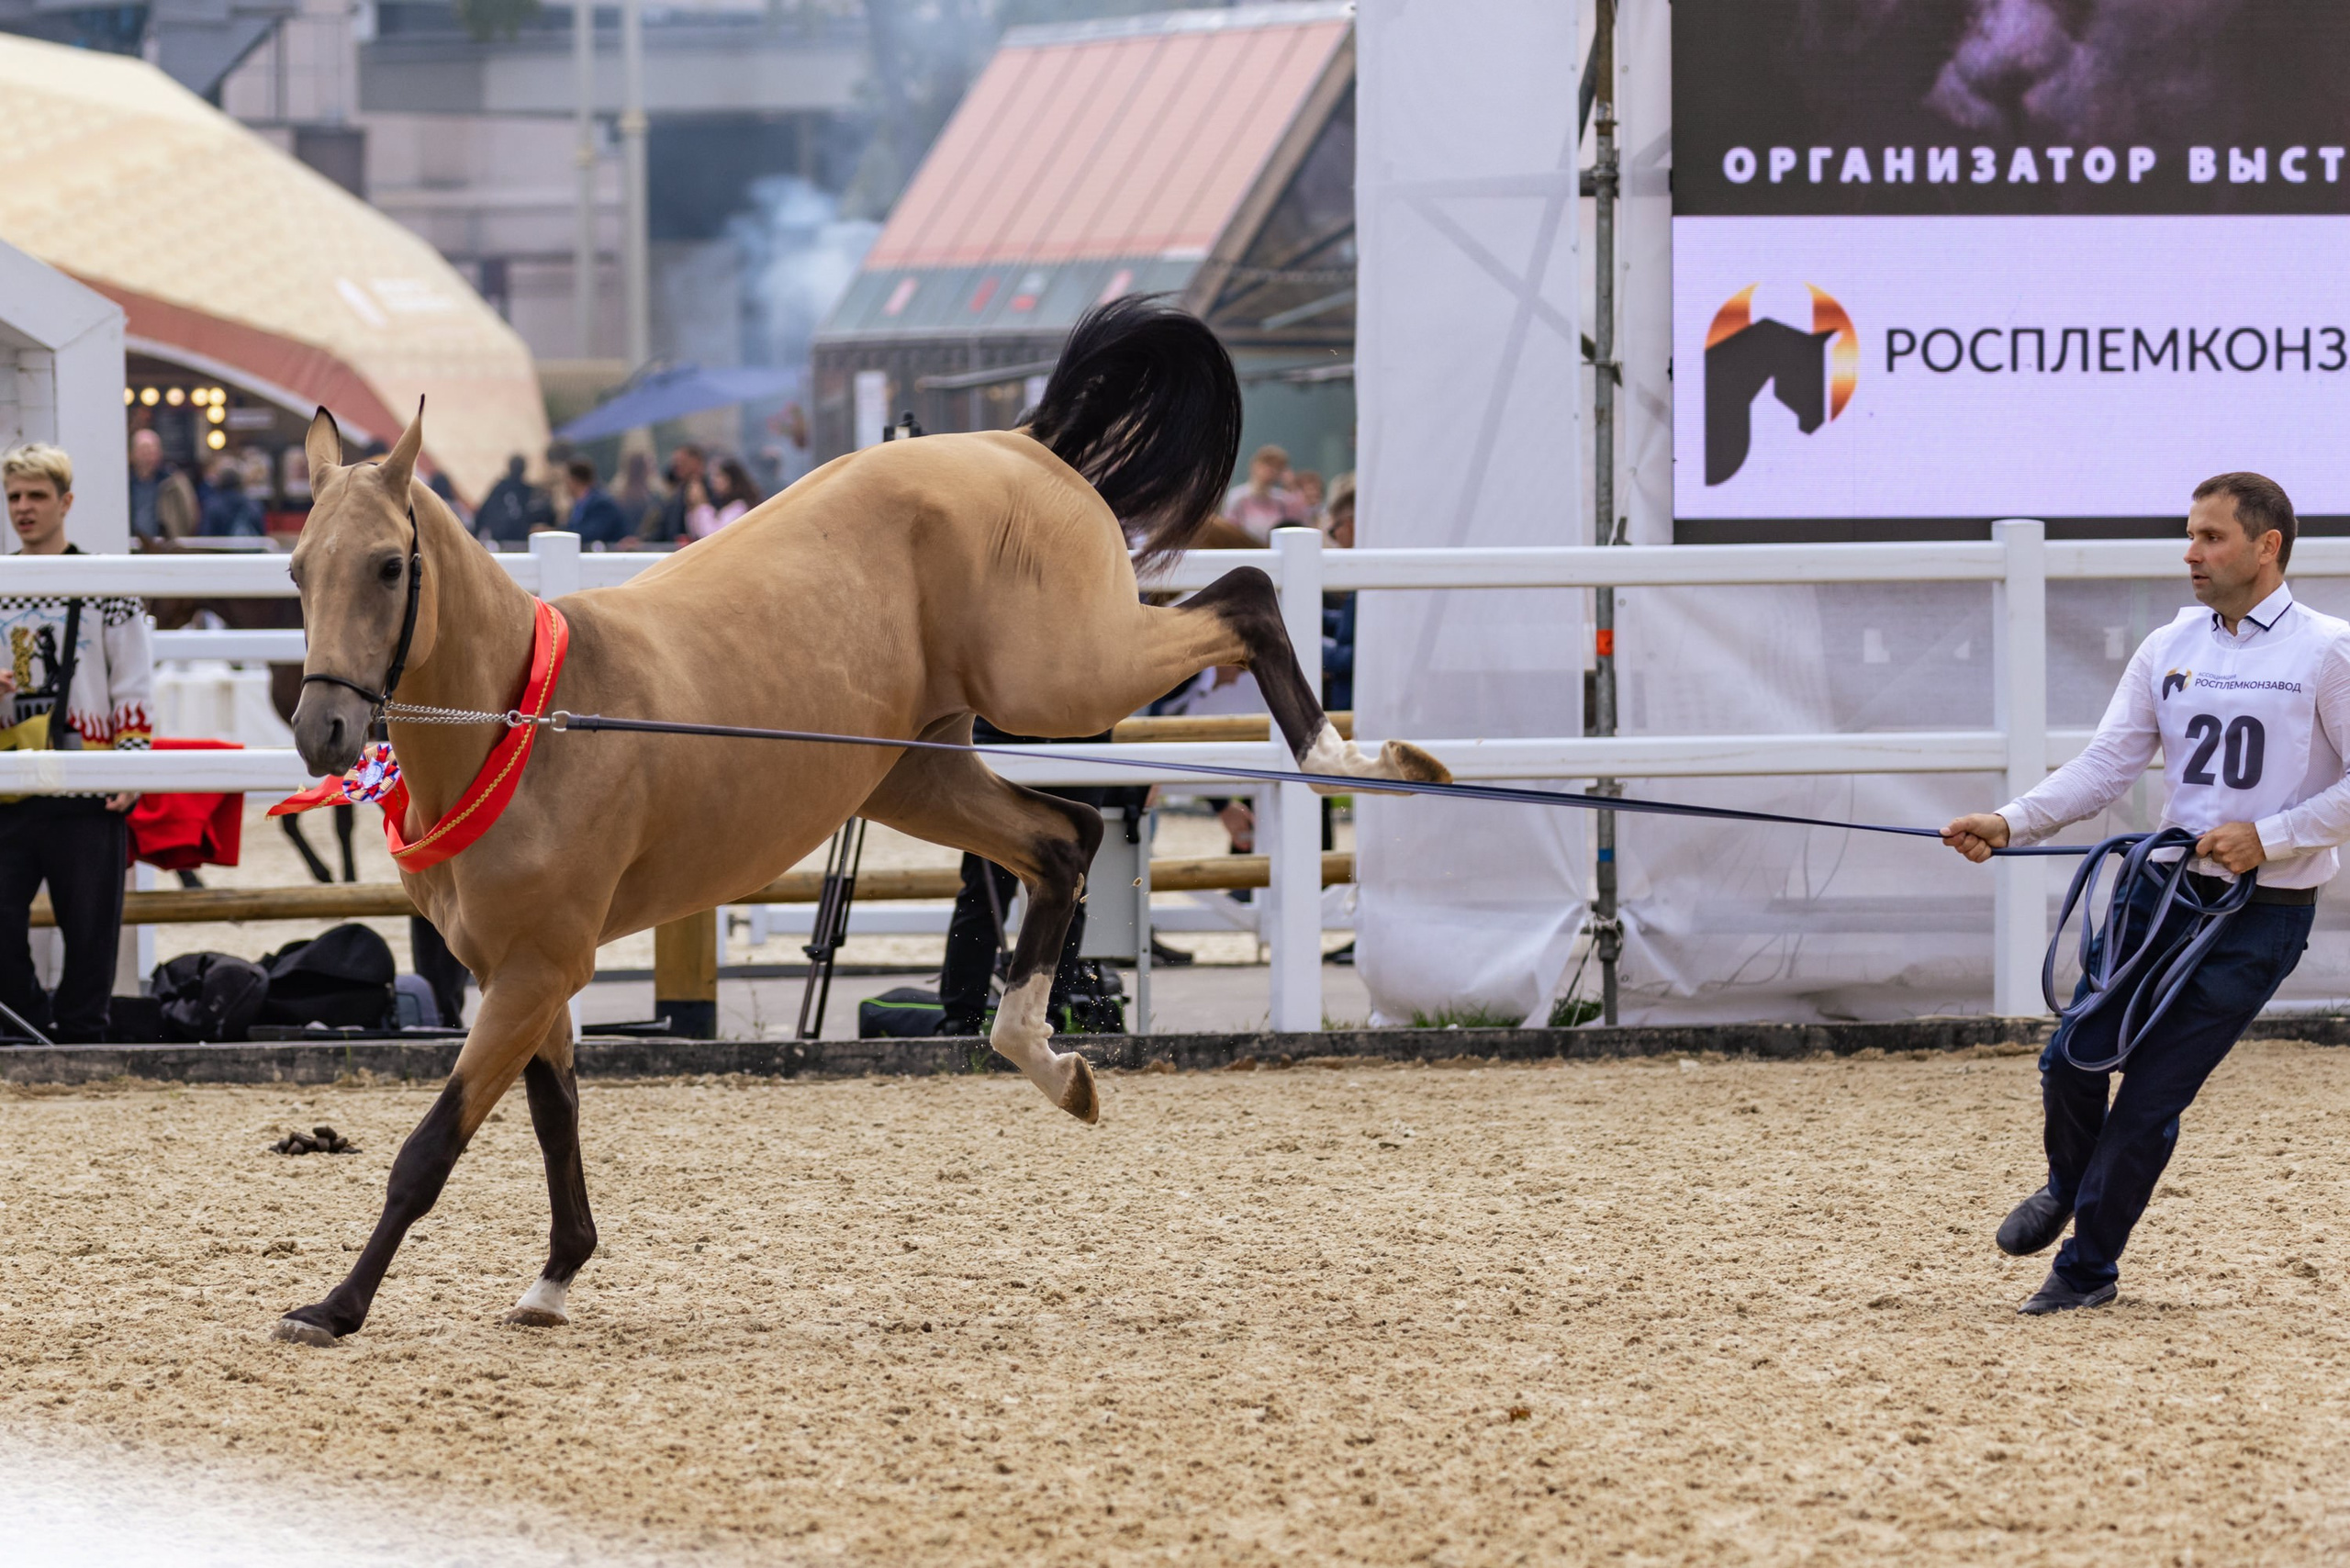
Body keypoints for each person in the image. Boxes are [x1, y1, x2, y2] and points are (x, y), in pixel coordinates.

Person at [1942, 472, 2350, 1316]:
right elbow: (2105, 765)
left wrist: (2268, 838)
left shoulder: (2326, 650)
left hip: (2260, 916)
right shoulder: (2169, 644)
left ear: (2267, 546)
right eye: (2191, 535)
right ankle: (2069, 1182)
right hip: (2161, 893)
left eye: (2212, 537)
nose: (2192, 554)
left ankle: (2087, 1270)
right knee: (2070, 1061)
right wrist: (2010, 821)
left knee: (2151, 1099)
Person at [0, 444, 153, 1042]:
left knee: (91, 929)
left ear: (65, 502)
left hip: (87, 777)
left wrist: (131, 765)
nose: (23, 508)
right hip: (11, 780)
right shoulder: (2, 580)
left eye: (36, 496)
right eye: (14, 497)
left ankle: (83, 1037)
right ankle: (29, 1030)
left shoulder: (108, 586)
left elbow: (132, 679)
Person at [1220, 444, 1306, 543]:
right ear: (1255, 465)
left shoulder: (1282, 500)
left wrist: (1291, 485)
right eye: (1268, 465)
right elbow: (1229, 529)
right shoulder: (1238, 497)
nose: (1271, 470)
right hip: (1245, 549)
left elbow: (1298, 522)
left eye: (1277, 467)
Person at [126, 429, 196, 542]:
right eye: (143, 450)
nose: (147, 455)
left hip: (165, 549)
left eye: (151, 450)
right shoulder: (124, 484)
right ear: (132, 454)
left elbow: (190, 516)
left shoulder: (175, 482)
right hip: (130, 546)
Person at [563, 458, 632, 548]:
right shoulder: (579, 505)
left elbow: (591, 535)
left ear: (574, 480)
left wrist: (559, 533)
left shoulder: (602, 504)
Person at [686, 456, 760, 540]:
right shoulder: (721, 503)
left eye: (718, 476)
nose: (713, 481)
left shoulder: (740, 507)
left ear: (731, 478)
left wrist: (701, 504)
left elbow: (713, 537)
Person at [476, 455, 541, 547]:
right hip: (505, 539)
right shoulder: (527, 491)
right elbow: (483, 512)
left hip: (519, 540)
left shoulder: (528, 491)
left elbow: (482, 513)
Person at [654, 444, 708, 543]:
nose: (677, 466)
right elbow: (663, 528)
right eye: (675, 462)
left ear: (696, 462)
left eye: (682, 462)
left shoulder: (712, 490)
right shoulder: (676, 495)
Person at [197, 460, 264, 537]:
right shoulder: (254, 505)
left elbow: (206, 534)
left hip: (220, 548)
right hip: (250, 548)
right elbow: (261, 534)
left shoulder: (212, 505)